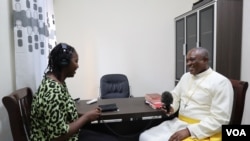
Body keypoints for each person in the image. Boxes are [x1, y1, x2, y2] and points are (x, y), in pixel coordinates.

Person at [139, 47, 234, 141]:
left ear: (205, 60)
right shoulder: (185, 77)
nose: (188, 64)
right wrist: (171, 108)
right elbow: (175, 96)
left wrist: (189, 131)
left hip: (202, 130)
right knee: (145, 136)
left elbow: (220, 119)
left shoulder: (221, 82)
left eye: (192, 60)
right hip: (179, 123)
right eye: (187, 60)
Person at [30, 43, 118, 141]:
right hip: (65, 138)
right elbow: (58, 137)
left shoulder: (57, 82)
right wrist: (86, 117)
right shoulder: (52, 93)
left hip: (71, 135)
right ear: (64, 63)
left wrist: (86, 115)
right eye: (76, 61)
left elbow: (63, 114)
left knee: (110, 134)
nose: (78, 66)